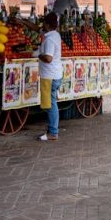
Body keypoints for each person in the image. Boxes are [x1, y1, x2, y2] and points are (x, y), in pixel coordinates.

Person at [38, 12, 63, 141]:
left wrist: (37, 54)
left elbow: (48, 58)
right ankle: (52, 129)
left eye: (44, 23)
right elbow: (38, 30)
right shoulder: (55, 35)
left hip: (49, 76)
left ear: (47, 25)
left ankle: (53, 132)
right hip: (56, 74)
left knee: (51, 105)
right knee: (52, 103)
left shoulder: (49, 39)